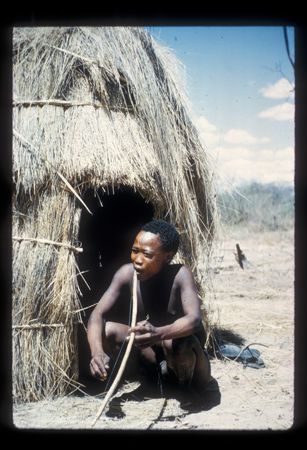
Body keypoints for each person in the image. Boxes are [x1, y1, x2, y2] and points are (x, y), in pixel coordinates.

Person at [87, 219, 211, 399]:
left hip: (187, 364)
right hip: (154, 358)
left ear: (167, 257)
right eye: (134, 251)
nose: (137, 260)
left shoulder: (180, 274)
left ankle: (187, 392)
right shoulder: (126, 274)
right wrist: (96, 352)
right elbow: (97, 315)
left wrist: (159, 333)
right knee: (107, 330)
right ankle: (141, 379)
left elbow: (194, 320)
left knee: (174, 342)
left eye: (147, 254)